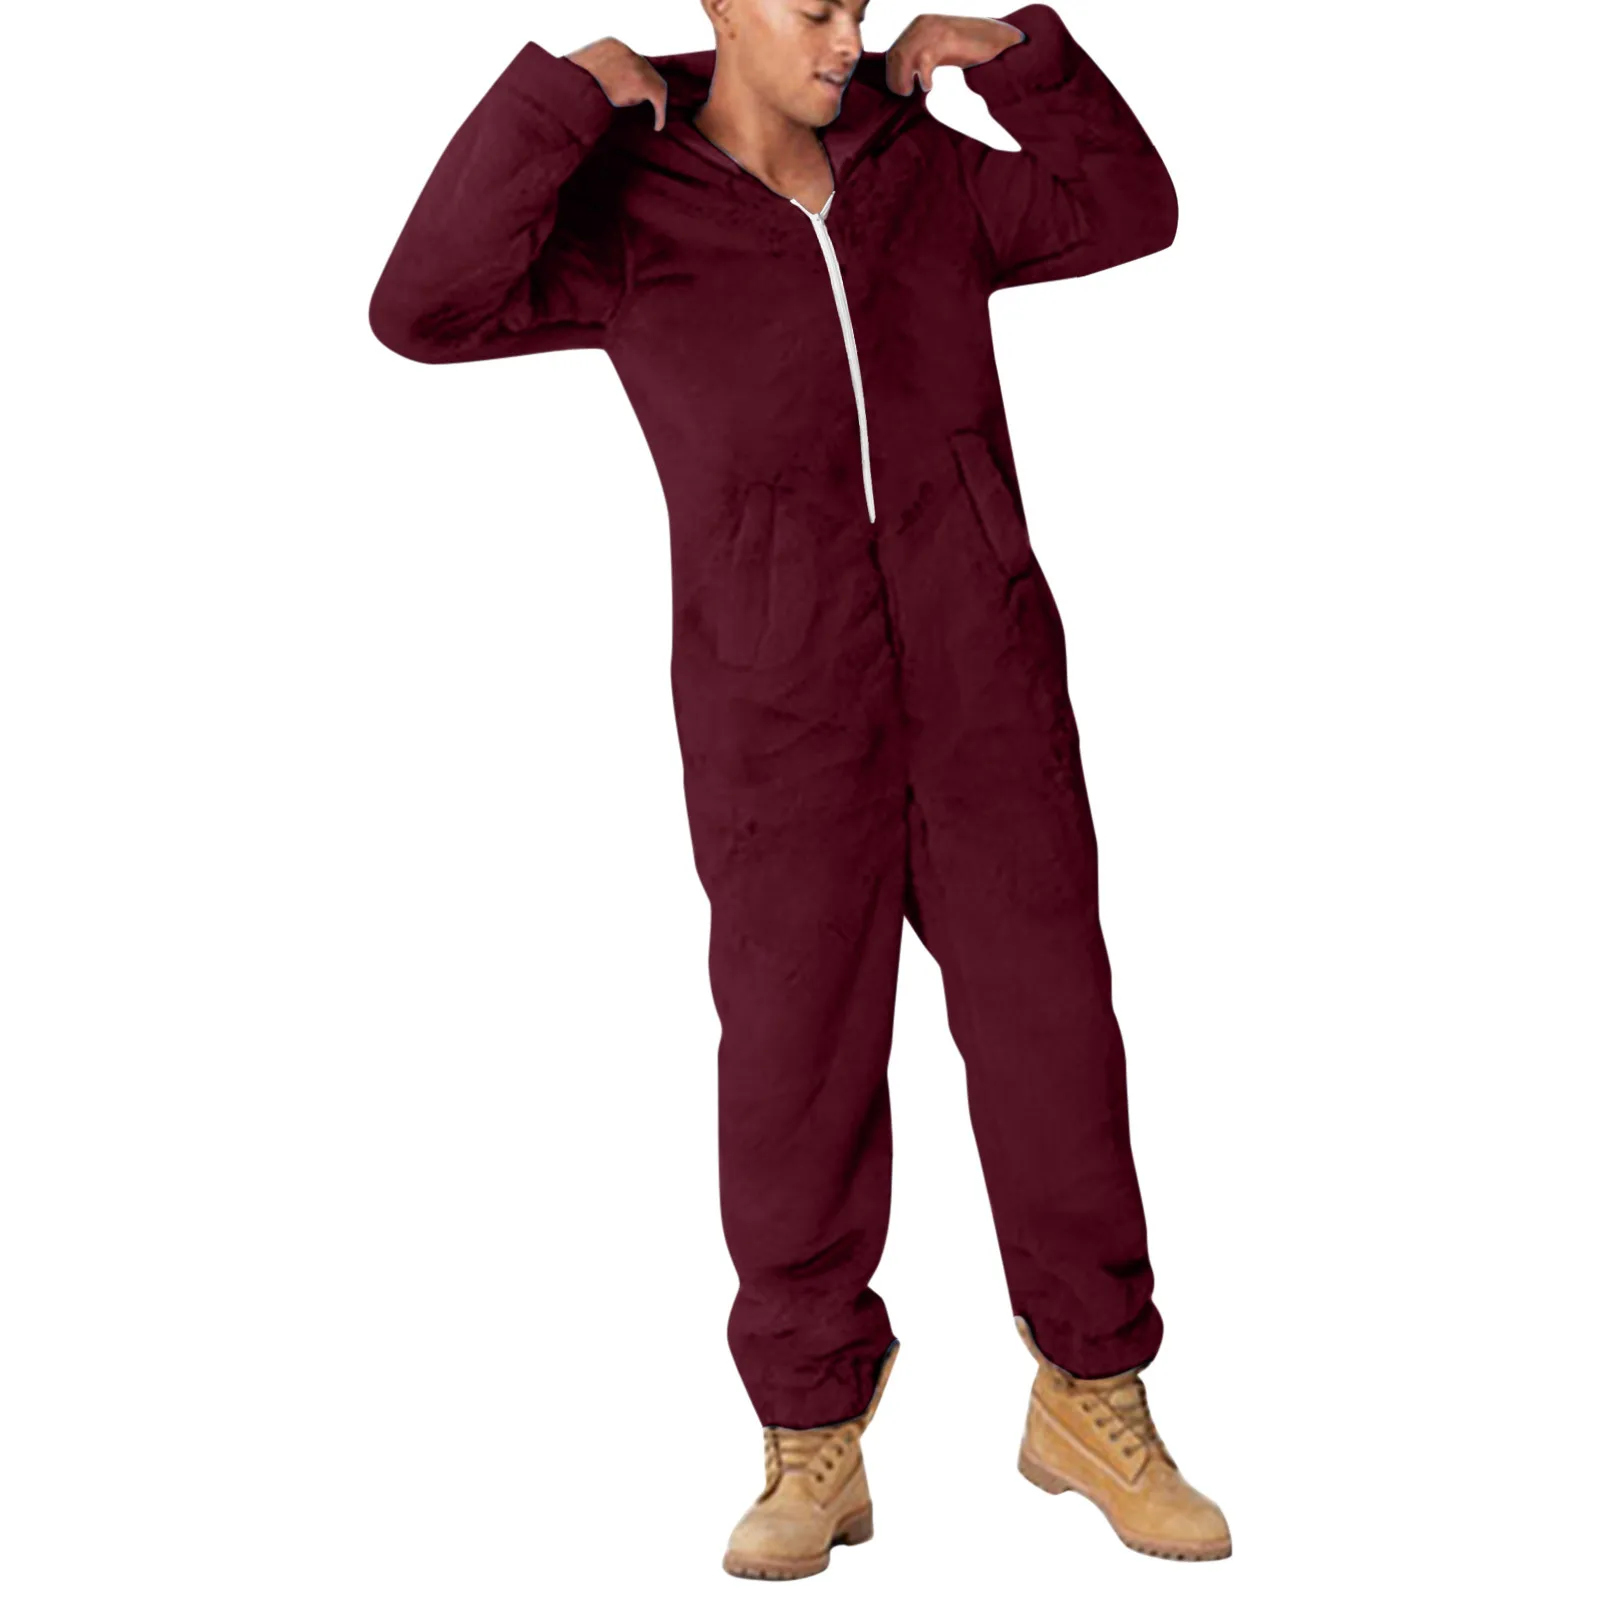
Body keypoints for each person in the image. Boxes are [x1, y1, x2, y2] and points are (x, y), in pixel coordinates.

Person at [368, 0, 1230, 1574]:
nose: (849, 36)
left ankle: (1094, 1391)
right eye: (814, 7)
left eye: (859, 2)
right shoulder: (631, 211)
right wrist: (558, 104)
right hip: (779, 710)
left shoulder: (925, 173)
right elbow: (422, 307)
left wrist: (1020, 62)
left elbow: (1128, 207)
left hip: (986, 683)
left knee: (1052, 1035)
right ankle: (811, 1435)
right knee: (793, 1071)